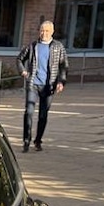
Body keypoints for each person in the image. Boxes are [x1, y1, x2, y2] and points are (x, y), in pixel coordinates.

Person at [16, 20, 68, 152]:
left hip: (48, 85)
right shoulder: (33, 46)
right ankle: (26, 141)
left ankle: (38, 140)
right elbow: (19, 59)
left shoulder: (58, 47)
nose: (43, 33)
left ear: (52, 32)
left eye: (46, 31)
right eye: (41, 31)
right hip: (33, 83)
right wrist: (23, 71)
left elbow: (63, 66)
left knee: (43, 115)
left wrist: (61, 81)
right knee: (28, 112)